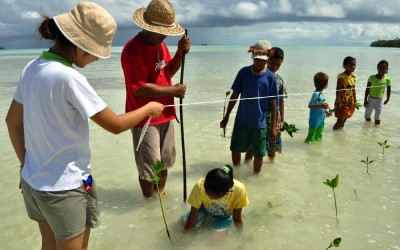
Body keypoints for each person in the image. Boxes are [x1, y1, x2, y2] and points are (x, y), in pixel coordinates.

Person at [5, 3, 164, 250]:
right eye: (95, 54)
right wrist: (149, 109)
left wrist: (26, 164)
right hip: (65, 189)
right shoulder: (71, 79)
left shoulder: (32, 68)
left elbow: (12, 122)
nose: (96, 60)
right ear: (79, 48)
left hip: (32, 183)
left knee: (48, 246)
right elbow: (115, 125)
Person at [121, 0, 191, 198]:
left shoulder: (161, 45)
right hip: (145, 119)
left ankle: (160, 198)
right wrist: (172, 90)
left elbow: (168, 70)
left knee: (164, 163)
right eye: (159, 32)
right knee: (149, 168)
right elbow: (139, 88)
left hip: (166, 113)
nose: (163, 36)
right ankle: (148, 202)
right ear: (146, 27)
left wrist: (180, 51)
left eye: (165, 33)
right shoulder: (132, 50)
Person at [220, 39, 278, 173]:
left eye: (262, 60)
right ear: (252, 57)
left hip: (260, 123)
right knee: (235, 148)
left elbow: (273, 103)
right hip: (241, 120)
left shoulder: (270, 77)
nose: (258, 62)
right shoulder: (243, 72)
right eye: (256, 59)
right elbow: (235, 95)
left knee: (259, 153)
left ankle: (255, 177)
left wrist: (273, 127)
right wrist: (226, 117)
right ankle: (236, 173)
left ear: (267, 59)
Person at [245, 47, 286, 160]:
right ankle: (246, 166)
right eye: (272, 63)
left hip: (274, 118)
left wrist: (282, 120)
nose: (275, 66)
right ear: (267, 60)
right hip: (260, 117)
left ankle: (270, 170)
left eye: (278, 64)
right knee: (253, 146)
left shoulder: (279, 80)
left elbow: (281, 101)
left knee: (273, 146)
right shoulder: (259, 77)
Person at [184, 165, 249, 232]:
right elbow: (194, 213)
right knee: (183, 223)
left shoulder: (239, 190)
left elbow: (237, 217)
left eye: (215, 196)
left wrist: (240, 234)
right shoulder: (200, 186)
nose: (210, 197)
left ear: (228, 191)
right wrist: (186, 233)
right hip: (204, 209)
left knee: (216, 237)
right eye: (207, 192)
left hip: (225, 217)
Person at [305, 72, 331, 143]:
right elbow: (310, 106)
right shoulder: (316, 94)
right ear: (325, 84)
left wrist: (326, 112)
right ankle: (309, 150)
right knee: (310, 138)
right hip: (314, 120)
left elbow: (320, 105)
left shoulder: (320, 93)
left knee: (318, 137)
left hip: (320, 120)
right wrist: (321, 106)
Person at [363, 60, 391, 125]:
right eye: (380, 68)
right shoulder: (372, 77)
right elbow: (367, 89)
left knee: (378, 118)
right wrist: (365, 100)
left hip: (379, 101)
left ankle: (376, 132)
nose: (381, 70)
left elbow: (389, 90)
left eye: (384, 68)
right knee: (367, 117)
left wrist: (388, 99)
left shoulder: (387, 80)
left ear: (386, 69)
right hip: (370, 99)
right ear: (377, 68)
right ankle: (366, 130)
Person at [333, 56, 357, 130]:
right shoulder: (341, 76)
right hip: (341, 100)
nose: (353, 67)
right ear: (345, 66)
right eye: (350, 65)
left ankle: (339, 134)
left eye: (354, 65)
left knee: (345, 118)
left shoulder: (353, 76)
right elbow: (338, 89)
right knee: (340, 120)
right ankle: (334, 133)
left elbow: (353, 89)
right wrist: (338, 101)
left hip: (349, 100)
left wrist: (355, 100)